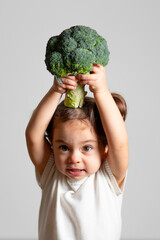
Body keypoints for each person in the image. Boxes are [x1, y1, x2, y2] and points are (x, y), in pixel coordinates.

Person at [25, 64, 129, 240]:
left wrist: (101, 91)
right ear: (51, 145)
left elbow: (119, 142)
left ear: (105, 148)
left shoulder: (108, 177)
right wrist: (56, 90)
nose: (74, 158)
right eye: (64, 147)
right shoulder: (51, 172)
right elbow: (33, 135)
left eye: (87, 148)